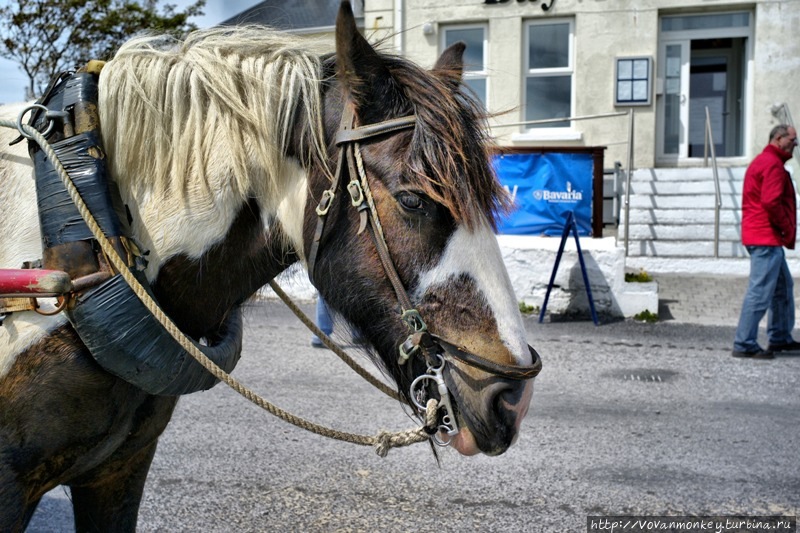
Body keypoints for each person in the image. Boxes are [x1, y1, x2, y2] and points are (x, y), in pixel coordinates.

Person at [732, 124, 799, 359]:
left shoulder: (765, 161)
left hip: (764, 237)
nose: (795, 145)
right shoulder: (772, 165)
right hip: (765, 237)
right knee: (760, 292)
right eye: (792, 140)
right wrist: (784, 226)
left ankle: (779, 337)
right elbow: (771, 202)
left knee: (782, 289)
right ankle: (744, 343)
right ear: (778, 139)